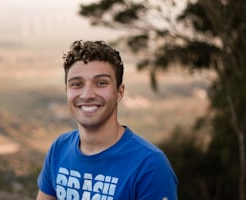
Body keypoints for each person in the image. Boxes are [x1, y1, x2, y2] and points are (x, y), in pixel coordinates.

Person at [36, 40, 178, 200]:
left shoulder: (150, 165)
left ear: (119, 92)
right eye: (77, 84)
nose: (87, 94)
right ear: (67, 91)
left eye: (101, 83)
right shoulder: (59, 149)